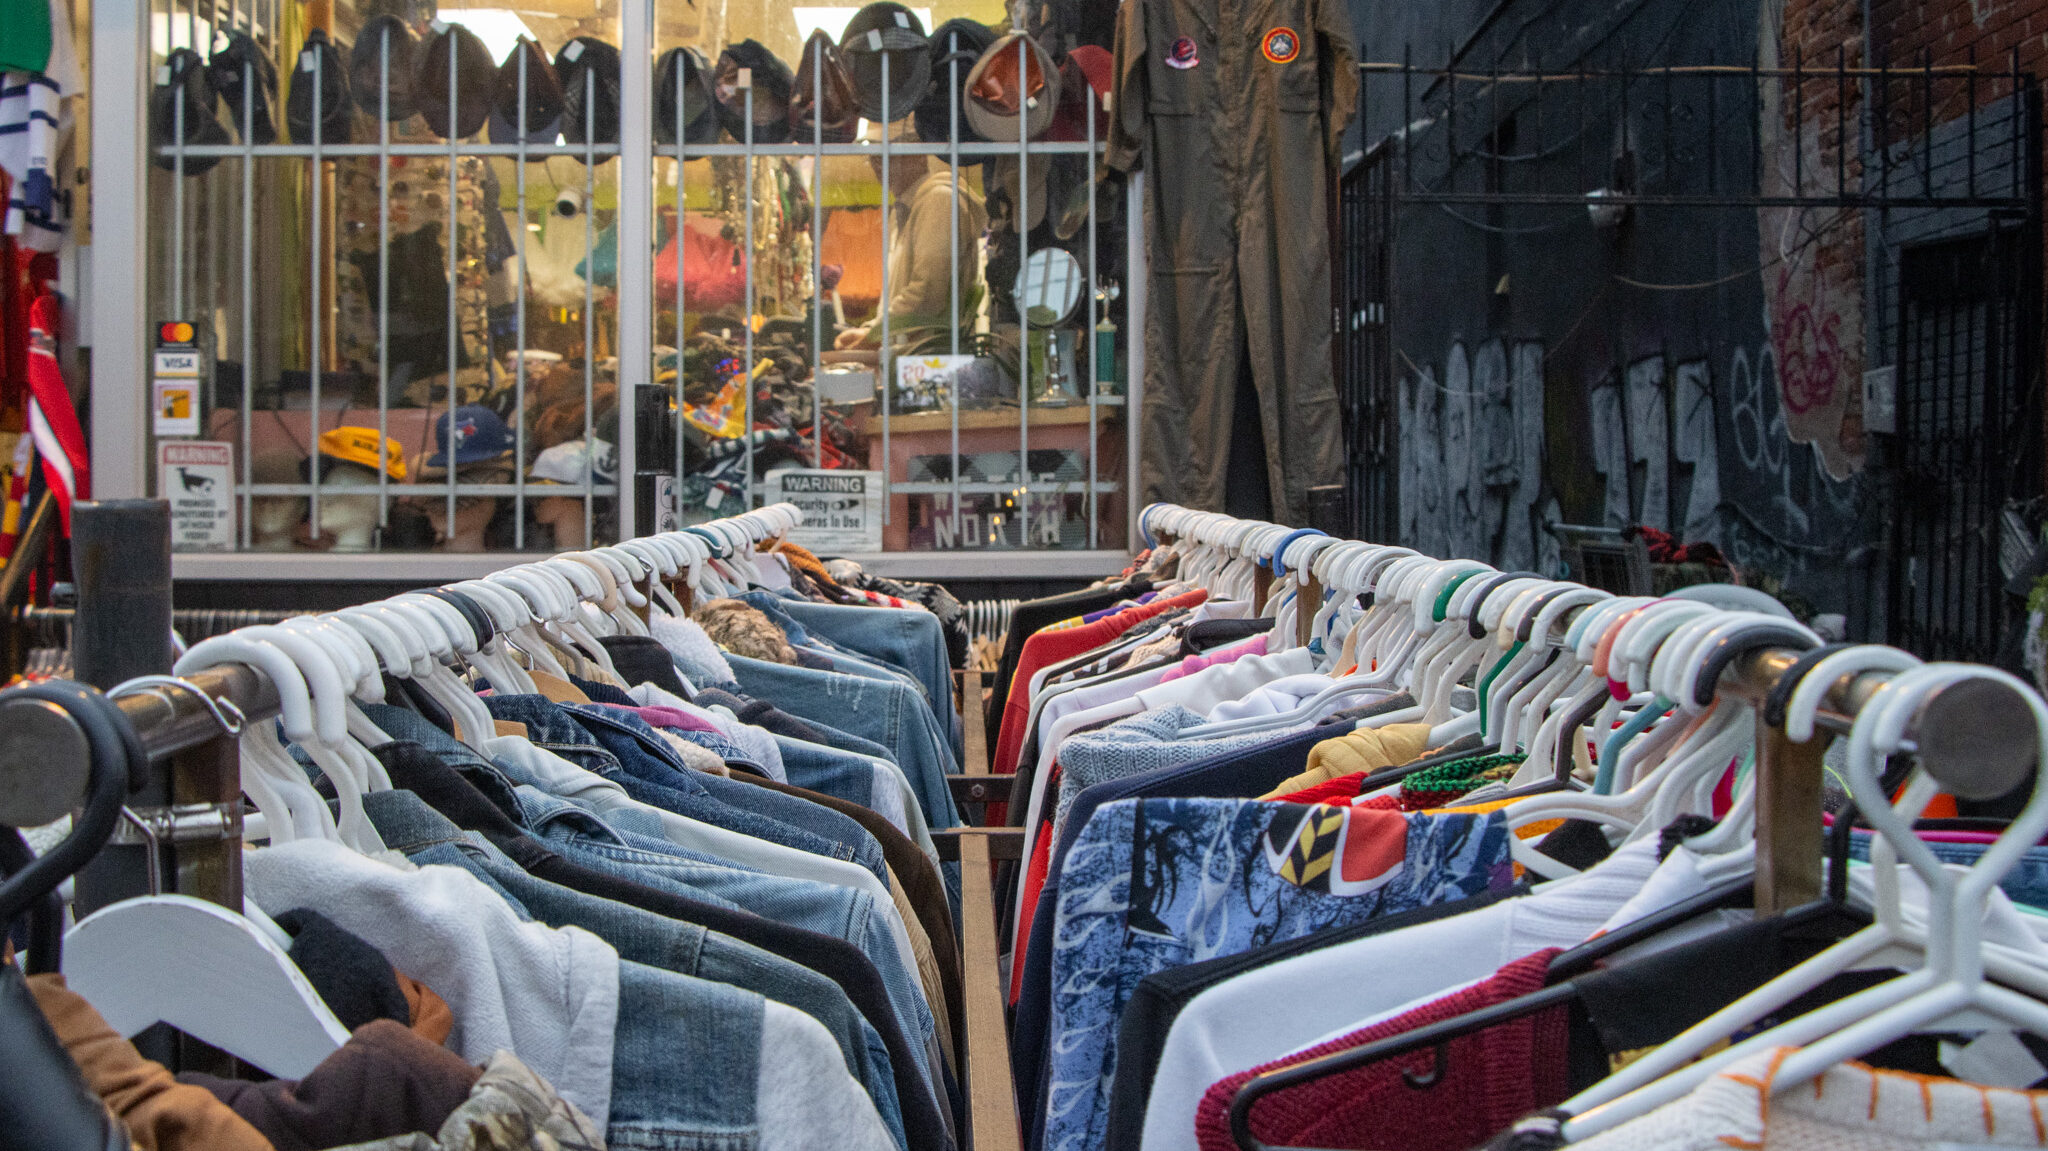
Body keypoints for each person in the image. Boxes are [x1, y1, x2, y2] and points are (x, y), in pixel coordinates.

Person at [836, 126, 987, 348]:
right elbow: (903, 295)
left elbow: (927, 294)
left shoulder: (939, 202)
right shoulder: (905, 209)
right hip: (913, 356)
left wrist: (872, 337)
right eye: (874, 159)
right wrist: (871, 330)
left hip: (929, 360)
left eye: (887, 156)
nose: (878, 166)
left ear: (917, 157)